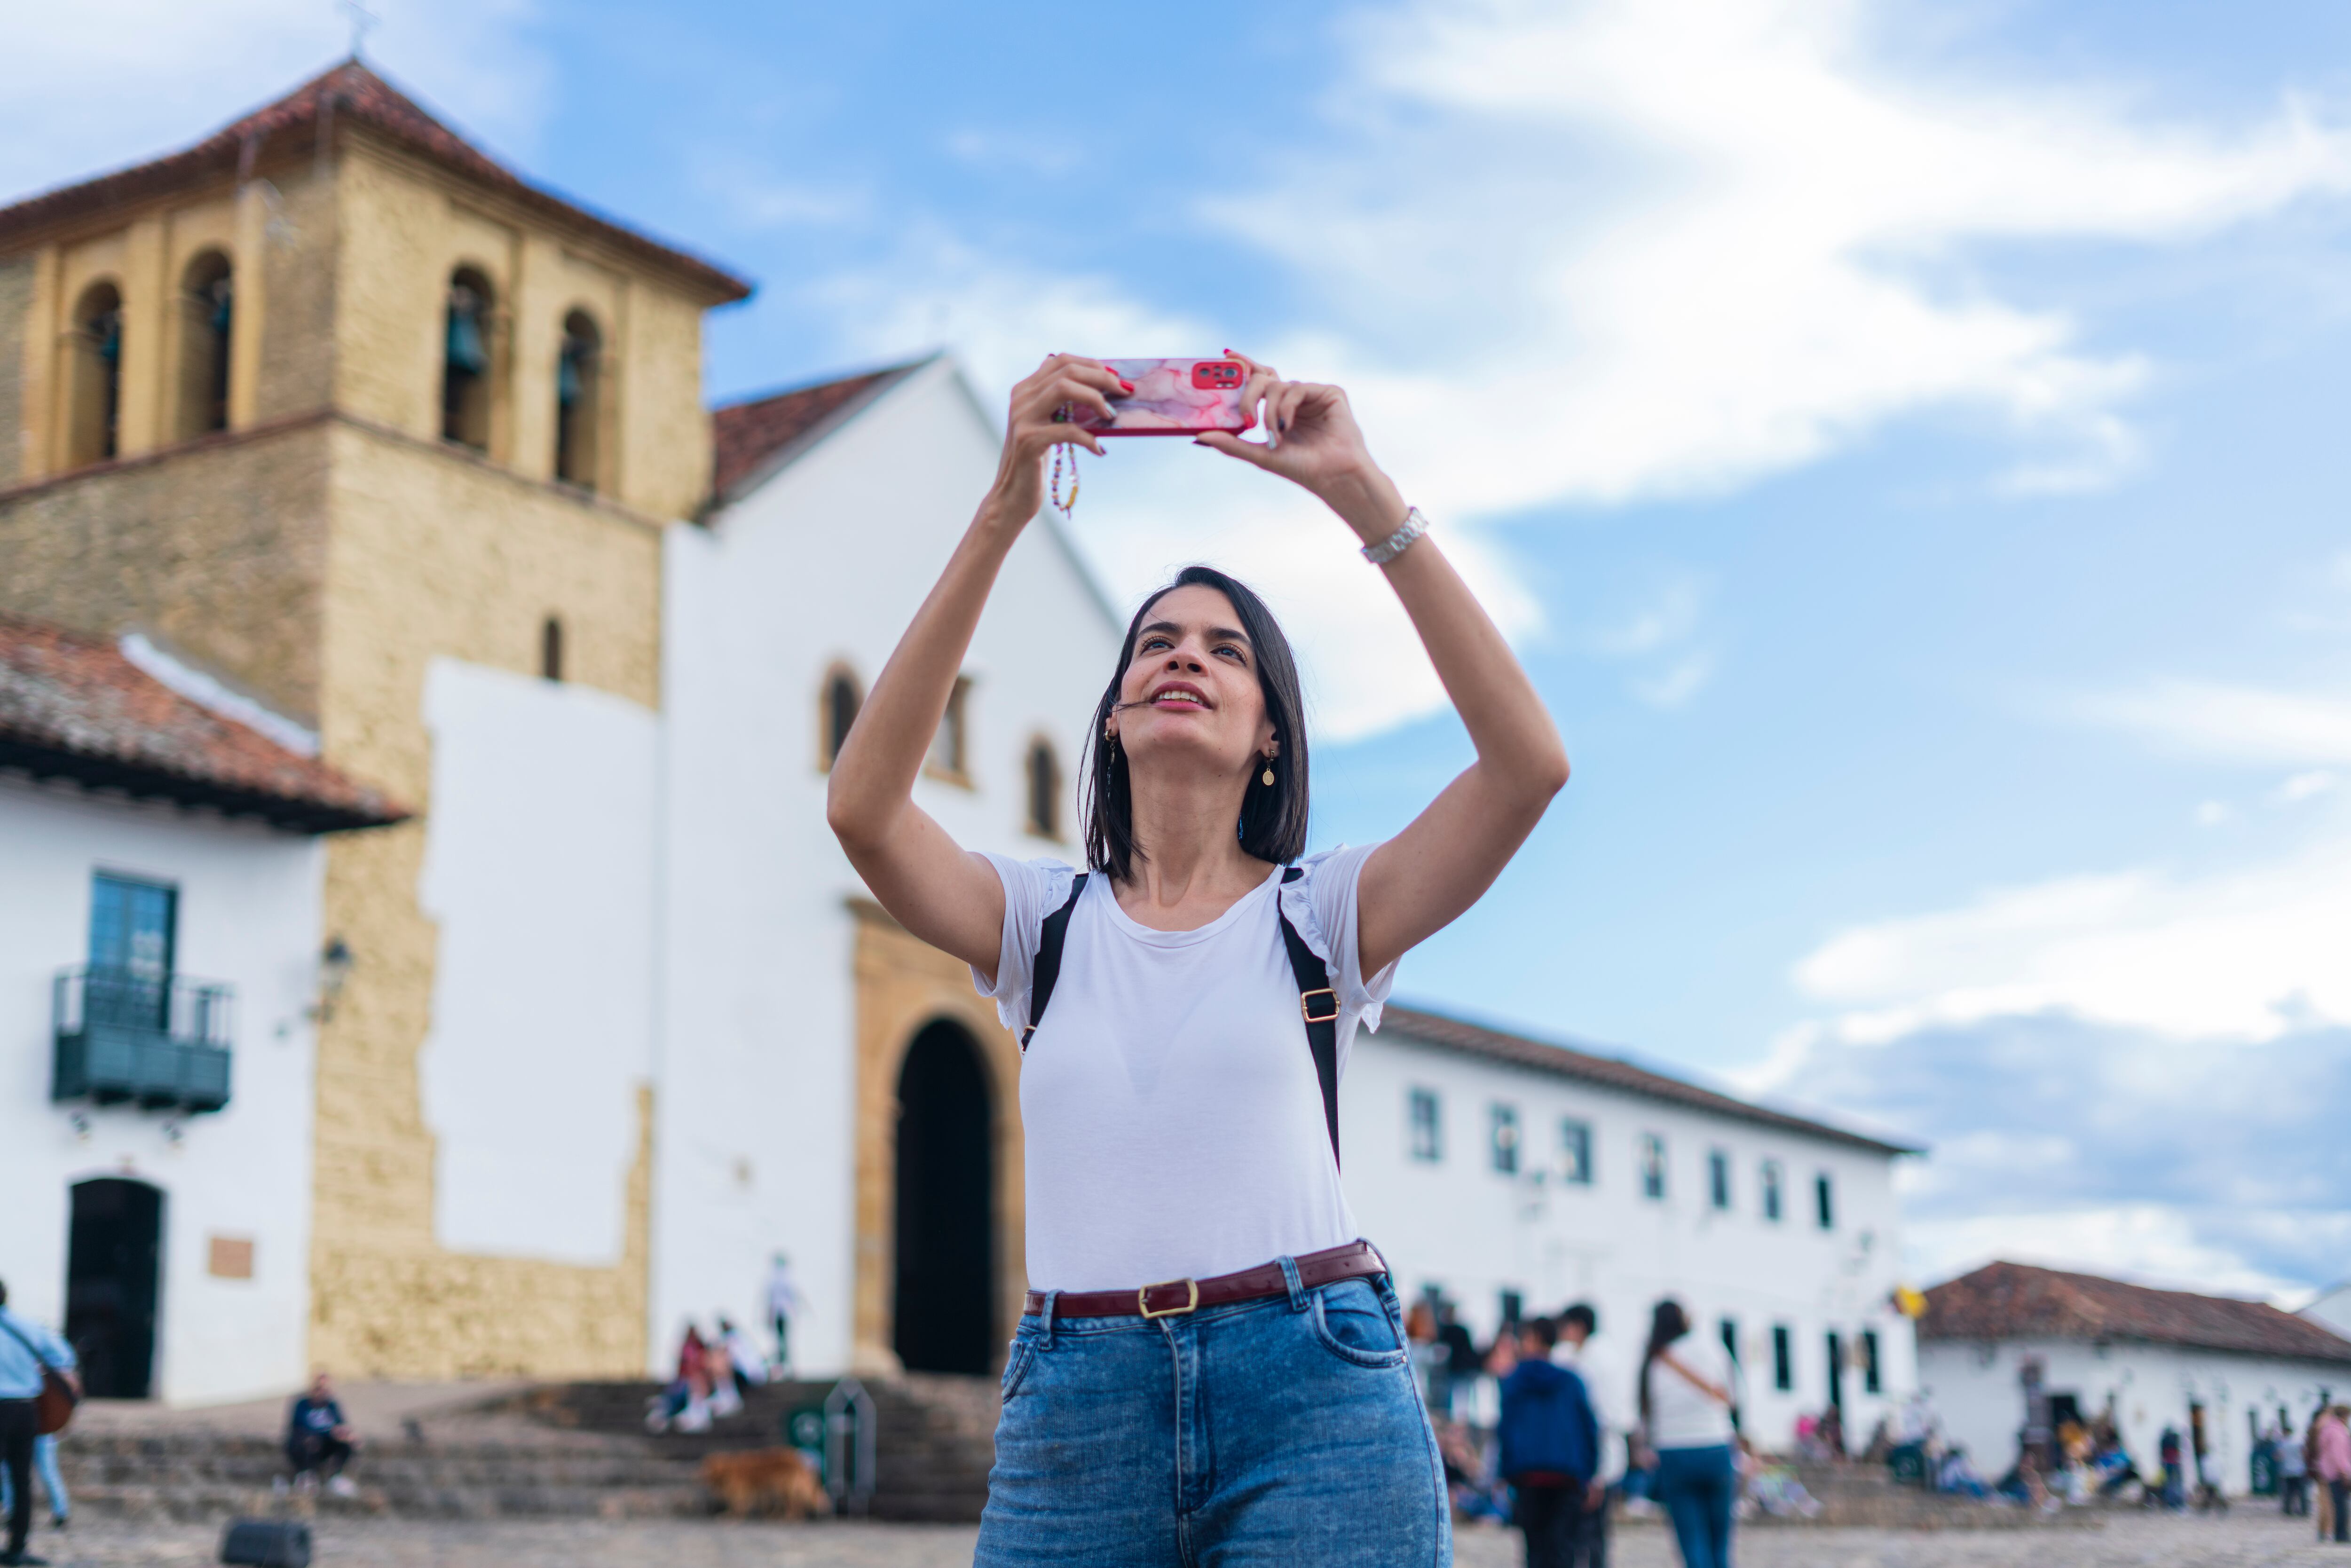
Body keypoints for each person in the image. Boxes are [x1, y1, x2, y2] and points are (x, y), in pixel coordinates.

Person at [827, 352, 1570, 1565]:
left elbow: (1528, 766)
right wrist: (1006, 504)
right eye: (1157, 642)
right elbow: (864, 808)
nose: (1185, 655)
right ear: (1116, 714)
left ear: (1270, 732)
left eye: (1226, 649)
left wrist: (1362, 494)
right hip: (1077, 1402)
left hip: (1314, 1389)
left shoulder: (1320, 913)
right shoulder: (1040, 923)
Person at [1638, 1300, 1739, 1568]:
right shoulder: (1711, 1348)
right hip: (1715, 1446)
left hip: (1674, 1452)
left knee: (1692, 1543)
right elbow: (1734, 1395)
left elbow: (1646, 1413)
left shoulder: (1655, 1360)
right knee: (1720, 1546)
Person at [1499, 1317, 1599, 1568]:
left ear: (1533, 1338)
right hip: (1567, 1475)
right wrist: (1590, 1473)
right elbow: (1589, 1428)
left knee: (1535, 1549)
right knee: (1564, 1548)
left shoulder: (1513, 1381)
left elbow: (1505, 1430)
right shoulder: (1572, 1380)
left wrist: (1504, 1473)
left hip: (1528, 1475)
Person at [0, 1280, 78, 1567]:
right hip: (25, 1409)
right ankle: (17, 1548)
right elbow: (64, 1357)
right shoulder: (28, 1328)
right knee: (22, 1479)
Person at [1554, 1303, 1627, 1568]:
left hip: (1597, 1458)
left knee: (1591, 1535)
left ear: (1578, 1327)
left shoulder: (1597, 1361)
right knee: (1590, 1534)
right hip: (1591, 1457)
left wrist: (1597, 1474)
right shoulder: (1586, 1356)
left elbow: (1602, 1418)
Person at [284, 1372, 360, 1497]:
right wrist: (327, 1433)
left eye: (326, 1389)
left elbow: (341, 1425)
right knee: (310, 1441)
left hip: (326, 1443)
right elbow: (299, 1427)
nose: (322, 1392)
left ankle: (336, 1477)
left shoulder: (332, 1406)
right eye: (319, 1388)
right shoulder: (302, 1405)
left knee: (347, 1442)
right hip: (306, 1444)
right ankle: (306, 1475)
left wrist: (347, 1435)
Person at [762, 1254, 802, 1377]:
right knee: (781, 1342)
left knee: (783, 1342)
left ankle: (785, 1366)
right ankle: (783, 1366)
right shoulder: (780, 1280)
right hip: (780, 1315)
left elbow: (787, 1299)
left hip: (782, 1315)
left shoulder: (781, 1280)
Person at [2316, 1403, 2351, 1544]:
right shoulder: (2338, 1431)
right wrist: (2345, 1472)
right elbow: (2339, 1454)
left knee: (2338, 1504)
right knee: (2341, 1505)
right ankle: (2342, 1534)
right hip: (2338, 1472)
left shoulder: (2327, 1429)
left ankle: (2339, 1533)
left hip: (2329, 1471)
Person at [2278, 1416, 2309, 1516]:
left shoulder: (2282, 1443)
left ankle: (2288, 1510)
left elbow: (2279, 1456)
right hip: (2300, 1469)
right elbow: (2305, 1453)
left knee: (2288, 1492)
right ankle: (2304, 1510)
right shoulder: (2299, 1441)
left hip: (2287, 1471)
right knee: (2302, 1492)